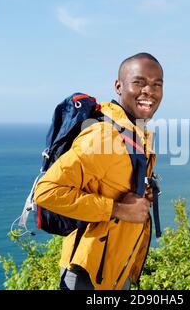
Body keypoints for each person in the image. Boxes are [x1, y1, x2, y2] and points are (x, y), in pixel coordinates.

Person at [33, 52, 164, 290]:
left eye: (157, 85)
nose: (149, 91)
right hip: (88, 276)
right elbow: (46, 191)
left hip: (114, 271)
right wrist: (119, 209)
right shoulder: (103, 136)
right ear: (118, 86)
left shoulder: (134, 133)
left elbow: (111, 183)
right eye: (139, 82)